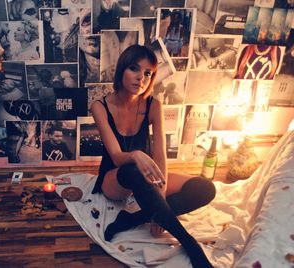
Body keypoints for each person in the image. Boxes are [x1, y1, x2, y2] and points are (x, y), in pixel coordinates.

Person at [90, 44, 215, 268]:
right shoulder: (100, 106)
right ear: (121, 71)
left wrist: (161, 197)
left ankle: (132, 218)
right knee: (132, 169)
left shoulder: (153, 105)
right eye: (134, 69)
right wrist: (136, 154)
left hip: (145, 174)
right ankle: (189, 243)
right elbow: (118, 157)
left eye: (148, 73)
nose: (141, 78)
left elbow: (159, 155)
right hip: (115, 178)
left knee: (205, 188)